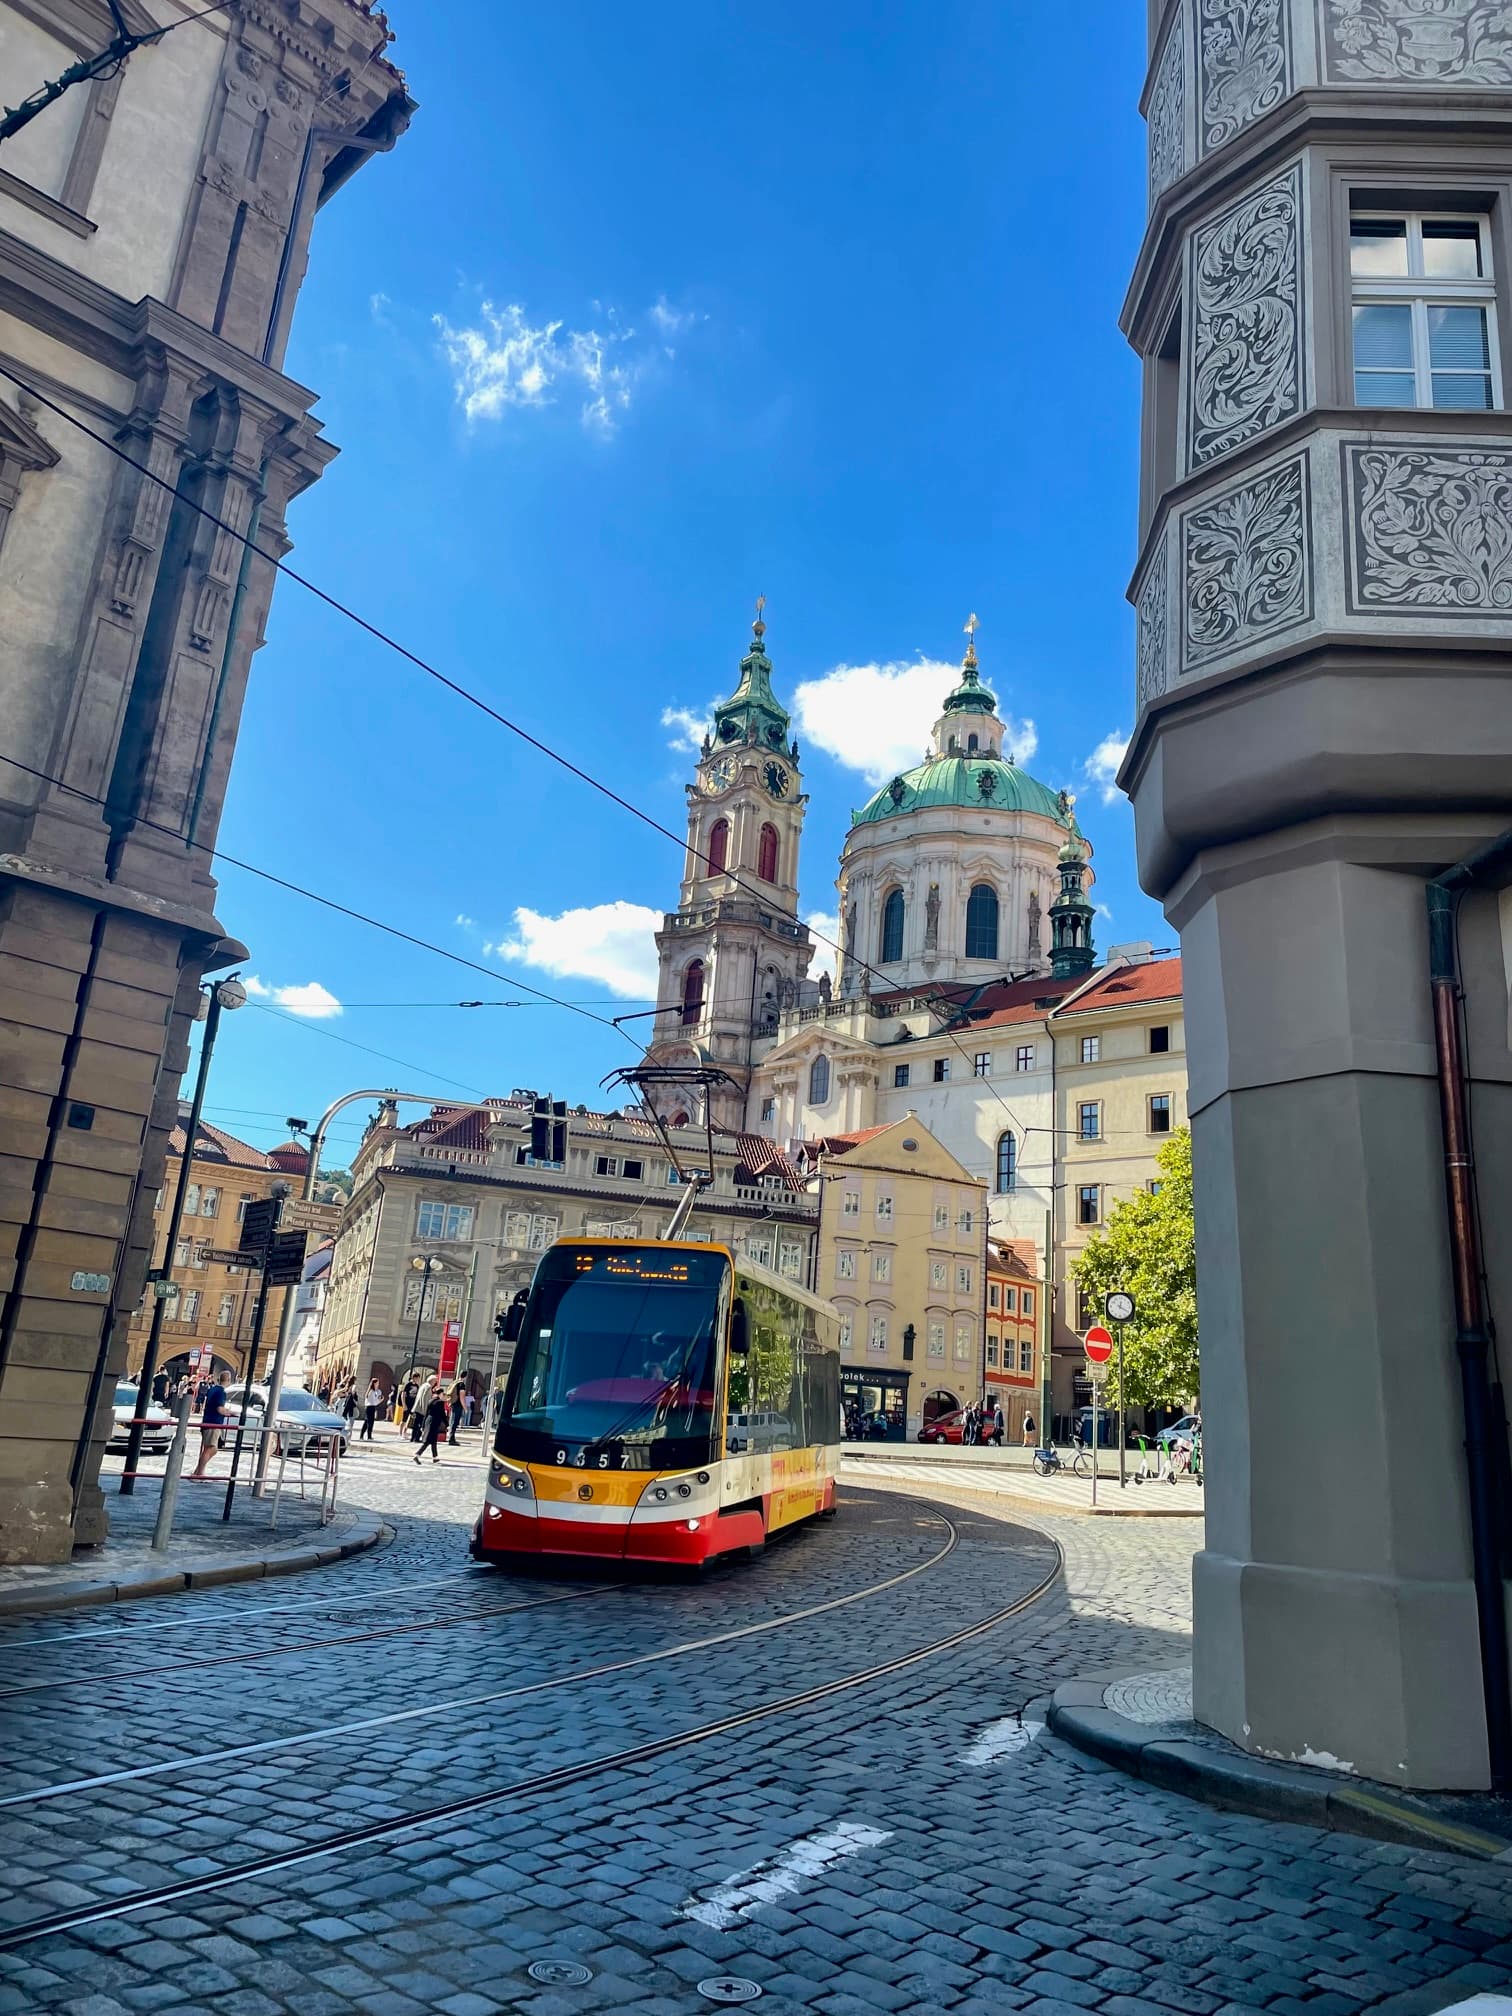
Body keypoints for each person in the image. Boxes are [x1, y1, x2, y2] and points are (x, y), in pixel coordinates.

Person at [188, 1372, 228, 1480]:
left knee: (212, 1449)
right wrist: (230, 1413)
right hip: (214, 1423)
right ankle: (199, 1473)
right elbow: (220, 1409)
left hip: (207, 1420)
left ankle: (197, 1471)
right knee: (210, 1448)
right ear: (228, 1380)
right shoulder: (221, 1392)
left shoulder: (212, 1389)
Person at [414, 1385, 448, 1465]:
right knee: (428, 1441)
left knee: (433, 1441)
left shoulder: (430, 1401)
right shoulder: (440, 1402)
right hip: (434, 1422)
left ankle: (435, 1458)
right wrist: (447, 1424)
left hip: (428, 1421)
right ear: (441, 1394)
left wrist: (423, 1425)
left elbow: (426, 1413)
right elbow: (442, 1414)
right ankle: (417, 1455)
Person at [447, 1380, 465, 1446]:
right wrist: (465, 1407)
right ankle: (451, 1439)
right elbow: (462, 1397)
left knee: (453, 1421)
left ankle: (451, 1438)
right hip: (458, 1405)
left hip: (453, 1403)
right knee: (455, 1422)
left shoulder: (455, 1382)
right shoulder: (461, 1384)